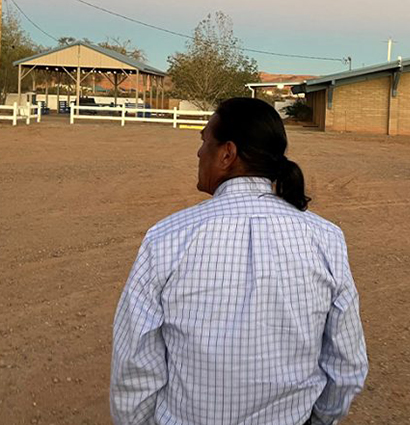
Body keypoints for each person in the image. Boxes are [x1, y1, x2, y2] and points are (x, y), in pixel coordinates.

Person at [110, 97, 368, 424]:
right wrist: (317, 420)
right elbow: (347, 364)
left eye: (204, 141)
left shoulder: (167, 238)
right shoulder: (325, 238)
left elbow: (134, 364)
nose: (199, 152)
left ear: (227, 154)